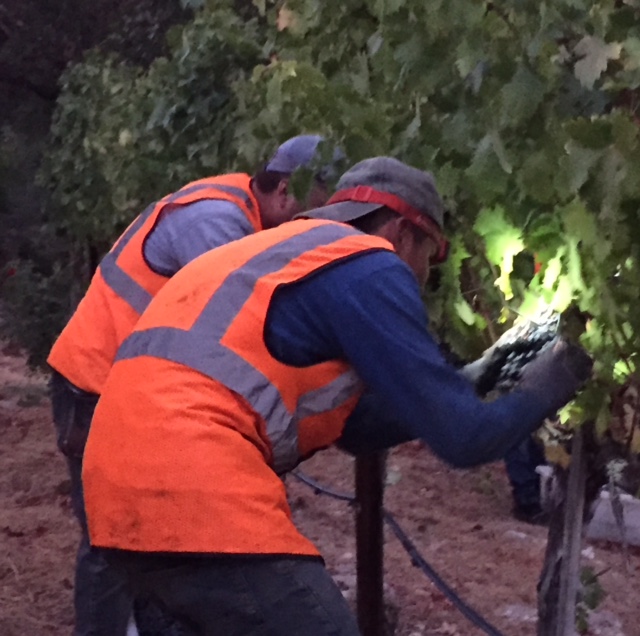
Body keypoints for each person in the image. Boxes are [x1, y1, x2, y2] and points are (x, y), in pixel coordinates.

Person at [82, 157, 592, 636]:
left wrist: (471, 379)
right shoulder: (370, 262)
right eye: (429, 258)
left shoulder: (279, 253)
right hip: (195, 492)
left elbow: (356, 429)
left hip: (115, 491)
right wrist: (561, 372)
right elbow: (466, 440)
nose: (424, 278)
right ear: (401, 231)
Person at [47, 134, 335, 636]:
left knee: (142, 539)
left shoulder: (233, 212)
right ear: (286, 192)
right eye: (316, 210)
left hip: (122, 387)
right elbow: (239, 322)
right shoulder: (216, 224)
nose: (317, 228)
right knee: (111, 542)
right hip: (94, 382)